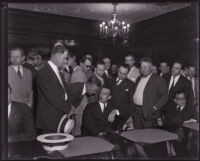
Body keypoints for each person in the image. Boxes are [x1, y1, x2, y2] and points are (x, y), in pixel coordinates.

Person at [36, 44, 85, 134]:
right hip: (49, 121)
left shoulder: (58, 72)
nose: (66, 61)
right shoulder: (43, 72)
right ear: (57, 56)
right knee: (52, 147)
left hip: (60, 118)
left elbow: (65, 93)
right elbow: (52, 97)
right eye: (64, 58)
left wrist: (72, 106)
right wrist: (69, 109)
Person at [131, 57, 168, 129]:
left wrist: (155, 107)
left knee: (147, 136)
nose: (143, 69)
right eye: (142, 67)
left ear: (151, 67)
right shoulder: (139, 78)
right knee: (136, 134)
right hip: (136, 112)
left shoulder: (158, 79)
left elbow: (165, 96)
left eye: (145, 67)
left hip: (148, 113)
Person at [108, 63, 135, 131]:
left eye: (124, 74)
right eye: (120, 72)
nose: (122, 75)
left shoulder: (131, 85)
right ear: (117, 70)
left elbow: (131, 104)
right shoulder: (110, 81)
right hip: (108, 113)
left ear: (128, 73)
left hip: (121, 116)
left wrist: (117, 111)